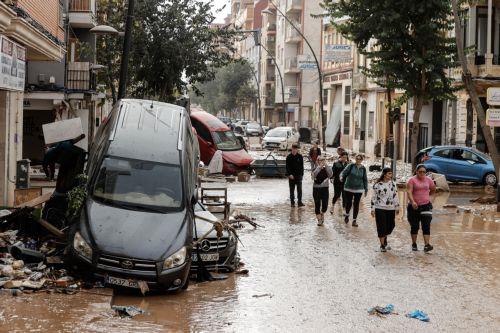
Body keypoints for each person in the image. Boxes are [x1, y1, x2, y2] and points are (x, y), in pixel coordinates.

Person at [407, 164, 436, 252]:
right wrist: (413, 202)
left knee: (426, 225)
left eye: (424, 172)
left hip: (426, 206)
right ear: (416, 172)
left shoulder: (429, 180)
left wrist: (427, 197)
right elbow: (409, 192)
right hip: (414, 207)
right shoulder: (411, 180)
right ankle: (414, 244)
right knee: (415, 226)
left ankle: (427, 245)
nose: (422, 173)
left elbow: (433, 189)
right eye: (420, 172)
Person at [371, 168, 400, 252]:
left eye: (391, 174)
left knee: (391, 225)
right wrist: (372, 209)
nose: (390, 176)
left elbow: (395, 196)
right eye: (389, 174)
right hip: (380, 208)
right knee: (381, 227)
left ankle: (385, 239)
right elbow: (373, 198)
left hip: (391, 209)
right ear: (384, 174)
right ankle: (382, 245)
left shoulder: (393, 184)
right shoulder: (377, 185)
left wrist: (397, 207)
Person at [340, 154, 368, 227]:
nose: (358, 160)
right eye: (357, 159)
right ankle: (347, 215)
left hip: (359, 188)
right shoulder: (351, 166)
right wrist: (341, 176)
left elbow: (365, 179)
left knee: (356, 204)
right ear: (355, 159)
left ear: (362, 160)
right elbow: (344, 172)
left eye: (360, 159)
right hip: (349, 187)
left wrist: (366, 189)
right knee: (349, 202)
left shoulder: (363, 168)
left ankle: (354, 220)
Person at [312, 156, 333, 226]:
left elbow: (330, 175)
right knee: (317, 204)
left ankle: (322, 212)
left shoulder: (327, 168)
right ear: (318, 161)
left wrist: (326, 166)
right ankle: (319, 220)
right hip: (316, 188)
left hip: (325, 188)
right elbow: (313, 176)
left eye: (323, 160)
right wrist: (319, 168)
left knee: (325, 205)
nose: (322, 162)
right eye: (320, 160)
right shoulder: (315, 168)